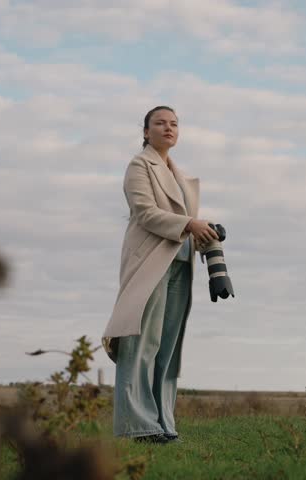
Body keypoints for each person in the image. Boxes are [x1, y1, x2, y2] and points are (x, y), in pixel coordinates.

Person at [101, 106, 219, 444]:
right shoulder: (139, 165)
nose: (168, 128)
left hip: (181, 263)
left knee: (168, 347)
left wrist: (205, 234)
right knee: (141, 343)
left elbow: (185, 223)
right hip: (151, 263)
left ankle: (163, 424)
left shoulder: (180, 177)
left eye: (174, 124)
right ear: (146, 131)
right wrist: (189, 224)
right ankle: (138, 427)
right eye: (160, 123)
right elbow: (146, 212)